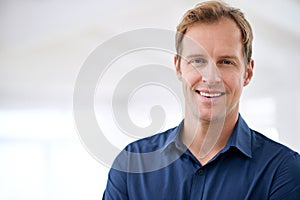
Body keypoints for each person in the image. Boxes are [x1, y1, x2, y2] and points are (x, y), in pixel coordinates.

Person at [103, 1, 300, 199]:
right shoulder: (132, 165)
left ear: (247, 73)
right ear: (178, 67)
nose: (211, 77)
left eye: (225, 62)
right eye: (197, 61)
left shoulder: (283, 170)